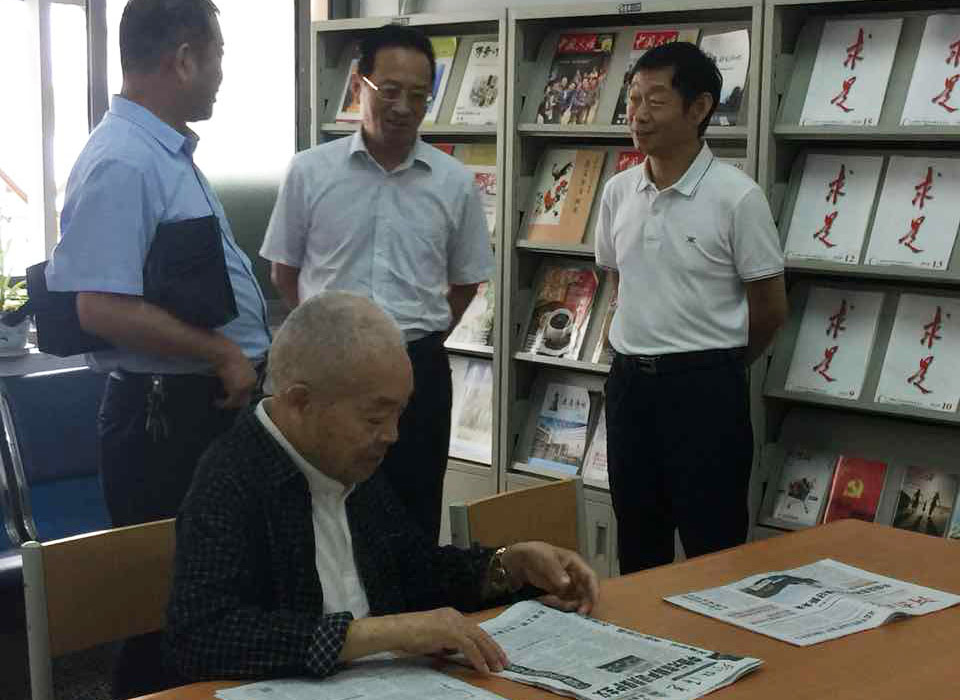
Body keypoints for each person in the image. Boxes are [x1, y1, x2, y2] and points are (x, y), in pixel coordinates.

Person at [166, 292, 599, 682]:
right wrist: (378, 633)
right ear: (299, 402)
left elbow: (413, 568)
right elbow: (203, 635)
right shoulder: (231, 475)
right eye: (374, 417)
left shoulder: (349, 458)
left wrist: (507, 565)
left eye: (399, 413)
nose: (392, 435)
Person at [46, 0, 270, 529]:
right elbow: (100, 308)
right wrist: (222, 352)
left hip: (201, 403)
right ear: (185, 60)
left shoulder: (161, 151)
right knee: (174, 571)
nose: (221, 75)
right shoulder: (124, 160)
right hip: (167, 417)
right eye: (218, 56)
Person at [260, 25, 494, 543]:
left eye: (418, 95)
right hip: (326, 375)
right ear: (358, 86)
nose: (403, 107)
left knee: (412, 516)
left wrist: (411, 340)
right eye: (389, 91)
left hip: (417, 371)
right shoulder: (310, 172)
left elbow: (465, 281)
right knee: (319, 515)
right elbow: (284, 272)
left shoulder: (454, 181)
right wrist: (327, 341)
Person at [594, 41, 787, 573]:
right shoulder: (617, 191)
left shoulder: (737, 197)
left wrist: (718, 364)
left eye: (655, 101)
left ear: (699, 108)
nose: (638, 114)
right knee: (638, 541)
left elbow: (770, 307)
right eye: (634, 99)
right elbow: (617, 278)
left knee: (714, 547)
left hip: (705, 391)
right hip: (630, 387)